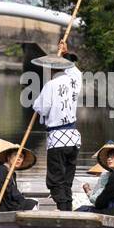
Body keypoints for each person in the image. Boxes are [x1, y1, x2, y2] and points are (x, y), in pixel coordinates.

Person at [32, 48, 81, 210]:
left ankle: (63, 210)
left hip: (58, 140)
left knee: (55, 180)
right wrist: (66, 53)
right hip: (73, 139)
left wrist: (37, 105)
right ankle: (67, 208)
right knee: (67, 178)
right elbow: (76, 72)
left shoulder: (51, 85)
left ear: (52, 69)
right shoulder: (75, 81)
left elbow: (42, 108)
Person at [0, 139, 39, 213]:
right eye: (16, 155)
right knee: (30, 204)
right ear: (8, 157)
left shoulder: (12, 174)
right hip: (1, 209)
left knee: (33, 202)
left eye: (21, 157)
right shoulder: (0, 171)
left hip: (10, 206)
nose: (19, 159)